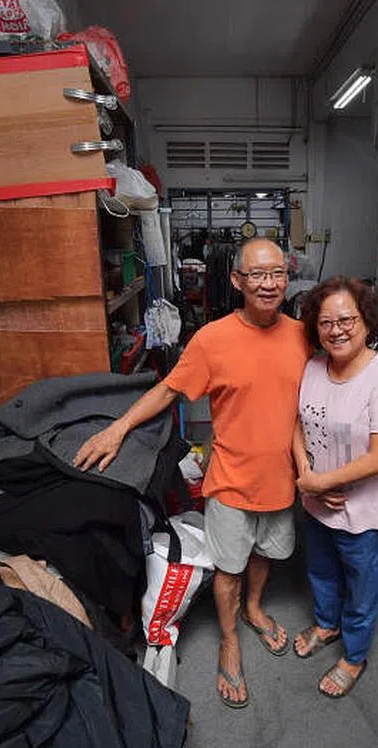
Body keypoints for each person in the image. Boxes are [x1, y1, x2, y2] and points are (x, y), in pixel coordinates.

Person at [74, 238, 309, 710]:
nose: (269, 284)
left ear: (287, 278)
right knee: (229, 567)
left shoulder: (303, 336)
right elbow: (168, 391)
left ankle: (254, 608)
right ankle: (229, 639)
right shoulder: (212, 340)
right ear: (237, 281)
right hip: (231, 480)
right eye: (257, 275)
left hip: (282, 480)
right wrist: (118, 429)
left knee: (267, 553)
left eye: (277, 273)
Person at [291, 276, 378, 698]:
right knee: (321, 571)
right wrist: (305, 472)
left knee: (362, 589)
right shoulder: (312, 367)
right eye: (326, 322)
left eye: (347, 320)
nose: (337, 330)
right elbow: (297, 423)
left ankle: (355, 655)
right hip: (317, 503)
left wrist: (319, 482)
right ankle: (327, 624)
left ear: (366, 322)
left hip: (364, 513)